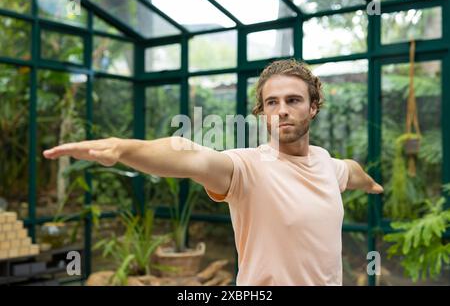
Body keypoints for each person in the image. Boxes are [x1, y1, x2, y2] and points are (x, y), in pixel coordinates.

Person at [43, 59, 383, 286]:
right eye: (271, 102)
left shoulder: (326, 164)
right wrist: (123, 149)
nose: (282, 111)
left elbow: (350, 172)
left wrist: (370, 184)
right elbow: (191, 156)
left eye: (293, 100)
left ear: (313, 106)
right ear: (262, 113)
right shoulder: (248, 168)